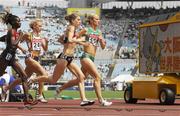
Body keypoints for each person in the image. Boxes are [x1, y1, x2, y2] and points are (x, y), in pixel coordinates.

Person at [28, 13, 94, 106]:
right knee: (53, 80)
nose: (80, 21)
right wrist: (81, 42)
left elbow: (60, 39)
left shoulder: (72, 29)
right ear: (72, 21)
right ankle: (33, 80)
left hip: (70, 58)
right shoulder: (71, 27)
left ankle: (84, 99)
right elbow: (71, 40)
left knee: (81, 77)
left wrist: (68, 42)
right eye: (78, 20)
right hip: (64, 57)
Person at [55, 14, 112, 106]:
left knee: (80, 79)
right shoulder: (86, 30)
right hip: (85, 56)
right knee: (97, 77)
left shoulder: (99, 32)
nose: (99, 21)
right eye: (97, 19)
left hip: (92, 57)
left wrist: (101, 41)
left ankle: (60, 89)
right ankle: (101, 101)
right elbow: (73, 38)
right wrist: (81, 42)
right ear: (91, 20)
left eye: (99, 19)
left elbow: (103, 47)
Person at [5, 19, 48, 103]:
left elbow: (45, 49)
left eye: (41, 26)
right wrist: (23, 49)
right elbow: (17, 42)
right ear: (34, 26)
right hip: (30, 58)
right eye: (39, 26)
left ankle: (6, 88)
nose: (41, 27)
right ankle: (39, 95)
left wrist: (47, 42)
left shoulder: (41, 37)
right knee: (43, 74)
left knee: (23, 78)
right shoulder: (28, 35)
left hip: (37, 59)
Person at [0, 13, 37, 105]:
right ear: (13, 23)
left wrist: (5, 38)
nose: (20, 22)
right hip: (6, 57)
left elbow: (6, 39)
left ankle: (27, 99)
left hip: (11, 57)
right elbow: (13, 44)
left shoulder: (14, 32)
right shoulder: (12, 31)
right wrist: (20, 36)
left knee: (24, 76)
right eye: (18, 21)